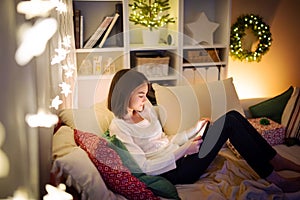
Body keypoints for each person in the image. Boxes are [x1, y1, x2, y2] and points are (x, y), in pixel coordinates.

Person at [107, 69, 300, 193]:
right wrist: (184, 150)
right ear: (125, 94)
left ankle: (275, 159)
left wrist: (193, 130)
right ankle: (276, 179)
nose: (145, 99)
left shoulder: (144, 108)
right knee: (229, 123)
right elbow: (145, 167)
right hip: (174, 171)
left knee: (231, 116)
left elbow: (165, 139)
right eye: (140, 95)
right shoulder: (119, 127)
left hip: (180, 153)